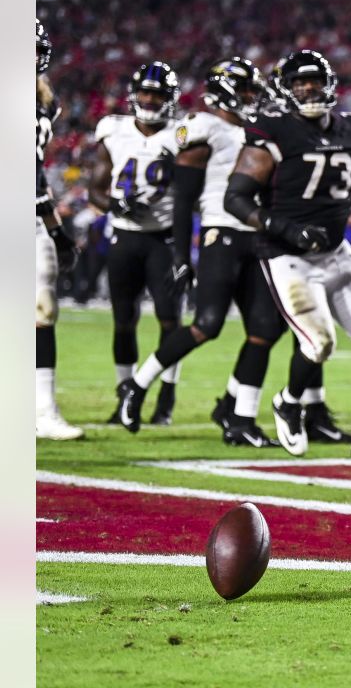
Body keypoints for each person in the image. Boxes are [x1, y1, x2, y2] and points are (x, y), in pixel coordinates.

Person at [223, 49, 351, 462]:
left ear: (329, 85)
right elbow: (235, 198)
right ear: (287, 89)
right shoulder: (272, 131)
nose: (309, 88)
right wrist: (286, 228)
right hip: (288, 256)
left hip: (338, 251)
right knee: (319, 343)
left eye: (315, 80)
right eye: (300, 82)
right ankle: (289, 402)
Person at [114, 58, 286, 446]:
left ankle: (240, 418)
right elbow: (183, 199)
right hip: (220, 232)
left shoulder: (252, 129)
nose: (250, 98)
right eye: (244, 90)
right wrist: (179, 256)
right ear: (225, 89)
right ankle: (137, 386)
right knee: (207, 324)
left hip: (255, 235)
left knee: (265, 329)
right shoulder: (203, 127)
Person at [88, 61, 183, 424]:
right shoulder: (113, 131)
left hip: (164, 238)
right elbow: (95, 189)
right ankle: (125, 395)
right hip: (124, 237)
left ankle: (166, 398)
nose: (149, 99)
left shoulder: (181, 134)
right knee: (124, 320)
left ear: (169, 99)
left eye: (157, 94)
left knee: (170, 320)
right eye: (144, 92)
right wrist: (114, 204)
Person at [35, 20, 83, 441]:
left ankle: (43, 411)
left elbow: (33, 174)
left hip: (29, 216)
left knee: (43, 310)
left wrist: (56, 229)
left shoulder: (45, 105)